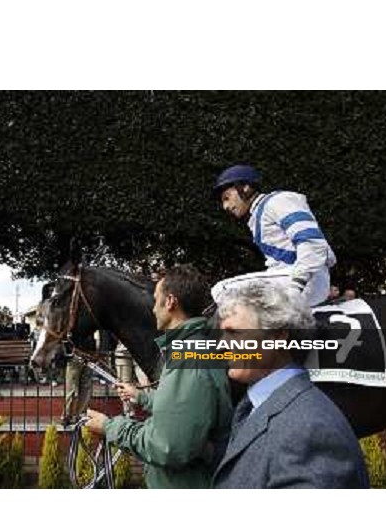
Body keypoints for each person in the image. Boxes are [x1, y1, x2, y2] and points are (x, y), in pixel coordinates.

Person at [85, 265, 233, 489]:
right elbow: (189, 408)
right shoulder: (194, 348)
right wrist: (142, 397)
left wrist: (110, 427)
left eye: (156, 300)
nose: (153, 309)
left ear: (170, 302)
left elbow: (168, 447)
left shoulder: (188, 358)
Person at [212, 280, 369, 489]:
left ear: (278, 335)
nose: (221, 346)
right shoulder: (257, 404)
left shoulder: (310, 431)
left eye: (234, 333)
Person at [211, 164, 336, 307]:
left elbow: (313, 242)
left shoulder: (277, 201)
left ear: (245, 187)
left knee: (222, 290)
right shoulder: (257, 215)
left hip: (304, 280)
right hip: (295, 278)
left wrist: (296, 286)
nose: (225, 206)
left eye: (227, 197)